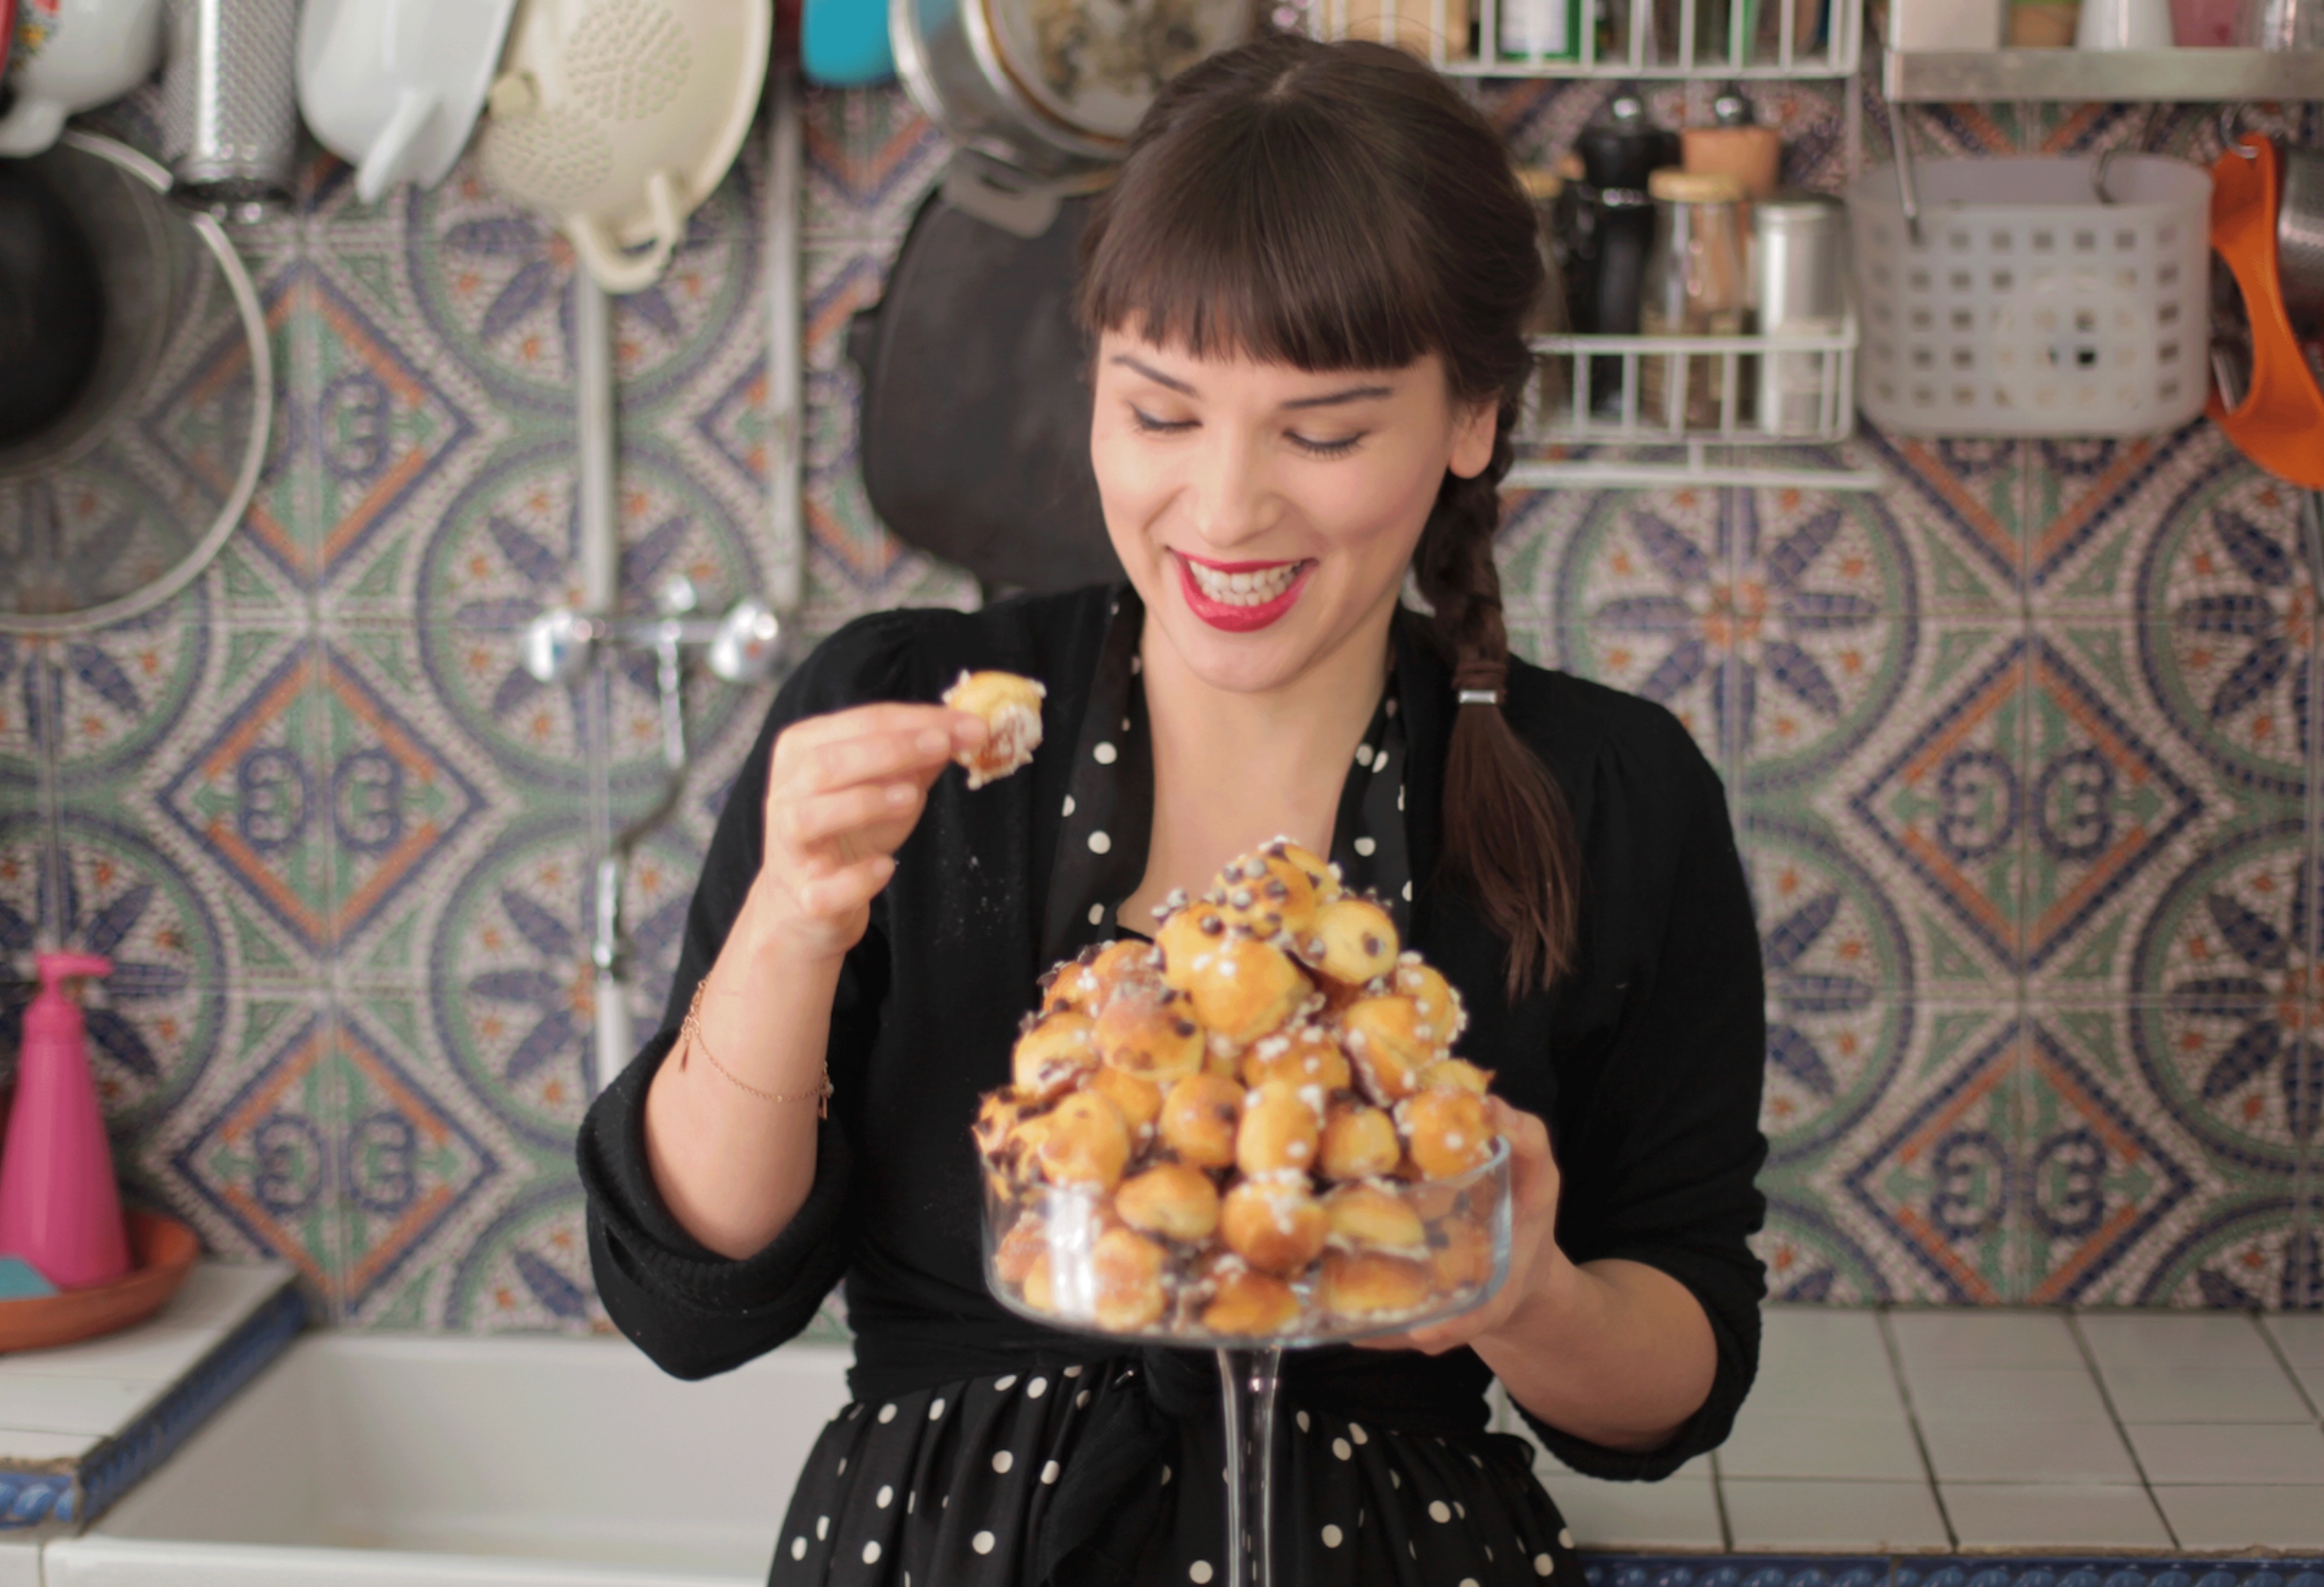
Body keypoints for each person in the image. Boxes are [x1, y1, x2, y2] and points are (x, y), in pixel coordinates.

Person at [578, 31, 1767, 1587]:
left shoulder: (1611, 793)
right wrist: (792, 926)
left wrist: (1520, 1287)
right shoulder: (905, 716)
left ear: (1471, 416)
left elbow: (1675, 1382)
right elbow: (689, 1301)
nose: (1222, 508)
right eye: (1159, 412)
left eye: (1322, 432)